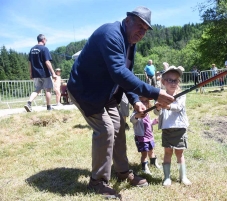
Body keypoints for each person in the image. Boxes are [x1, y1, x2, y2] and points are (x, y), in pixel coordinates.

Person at [67, 6, 174, 199]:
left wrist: (134, 100)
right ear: (128, 21)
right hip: (86, 92)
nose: (141, 33)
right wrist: (155, 93)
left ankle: (123, 171)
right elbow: (118, 72)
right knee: (105, 129)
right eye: (139, 26)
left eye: (145, 30)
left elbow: (125, 75)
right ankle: (98, 181)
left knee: (118, 126)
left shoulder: (129, 42)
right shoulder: (111, 34)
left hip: (106, 93)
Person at [154, 66, 192, 186]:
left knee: (180, 153)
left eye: (175, 80)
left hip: (180, 128)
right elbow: (156, 112)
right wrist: (158, 107)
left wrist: (167, 106)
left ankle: (183, 177)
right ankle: (166, 177)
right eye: (170, 80)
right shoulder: (161, 95)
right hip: (167, 129)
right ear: (163, 82)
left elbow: (179, 107)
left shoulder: (181, 94)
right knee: (168, 153)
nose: (173, 83)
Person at [24, 34, 57, 112]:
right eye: (46, 40)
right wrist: (53, 73)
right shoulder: (44, 49)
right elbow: (47, 62)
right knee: (48, 89)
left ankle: (28, 103)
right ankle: (49, 107)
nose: (46, 41)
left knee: (37, 89)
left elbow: (30, 63)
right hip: (44, 73)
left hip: (36, 74)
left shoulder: (32, 49)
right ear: (43, 39)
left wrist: (31, 73)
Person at [130, 96, 161, 175]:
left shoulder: (147, 114)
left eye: (146, 101)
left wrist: (154, 121)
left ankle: (153, 163)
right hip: (141, 138)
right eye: (141, 101)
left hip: (149, 137)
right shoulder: (136, 113)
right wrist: (137, 115)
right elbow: (132, 119)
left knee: (151, 151)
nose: (144, 103)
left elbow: (148, 123)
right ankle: (144, 167)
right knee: (144, 153)